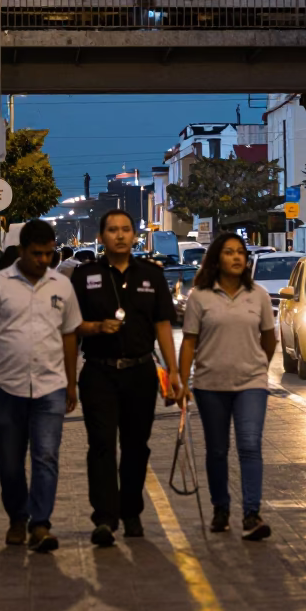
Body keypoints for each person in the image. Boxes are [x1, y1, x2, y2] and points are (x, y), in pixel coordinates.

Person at [0, 220, 81, 553]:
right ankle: (18, 517)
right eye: (37, 254)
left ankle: (41, 523)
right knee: (11, 460)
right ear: (22, 251)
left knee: (46, 456)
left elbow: (70, 334)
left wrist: (72, 384)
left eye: (49, 254)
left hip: (50, 387)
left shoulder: (61, 285)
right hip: (6, 387)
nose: (44, 260)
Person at [72, 209, 181, 547]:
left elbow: (163, 324)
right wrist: (95, 327)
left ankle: (131, 511)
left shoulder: (151, 275)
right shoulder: (85, 275)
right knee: (102, 445)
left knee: (136, 447)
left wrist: (174, 373)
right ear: (102, 237)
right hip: (99, 371)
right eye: (112, 230)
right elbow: (70, 326)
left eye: (125, 230)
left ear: (135, 236)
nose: (119, 235)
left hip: (140, 372)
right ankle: (104, 518)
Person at [179, 232, 276, 541]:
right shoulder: (200, 297)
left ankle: (251, 514)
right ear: (217, 258)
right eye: (230, 252)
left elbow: (269, 339)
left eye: (241, 253)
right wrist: (182, 383)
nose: (237, 257)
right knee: (218, 450)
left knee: (250, 445)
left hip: (252, 383)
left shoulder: (258, 294)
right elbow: (189, 343)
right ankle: (220, 508)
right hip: (210, 384)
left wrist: (259, 364)